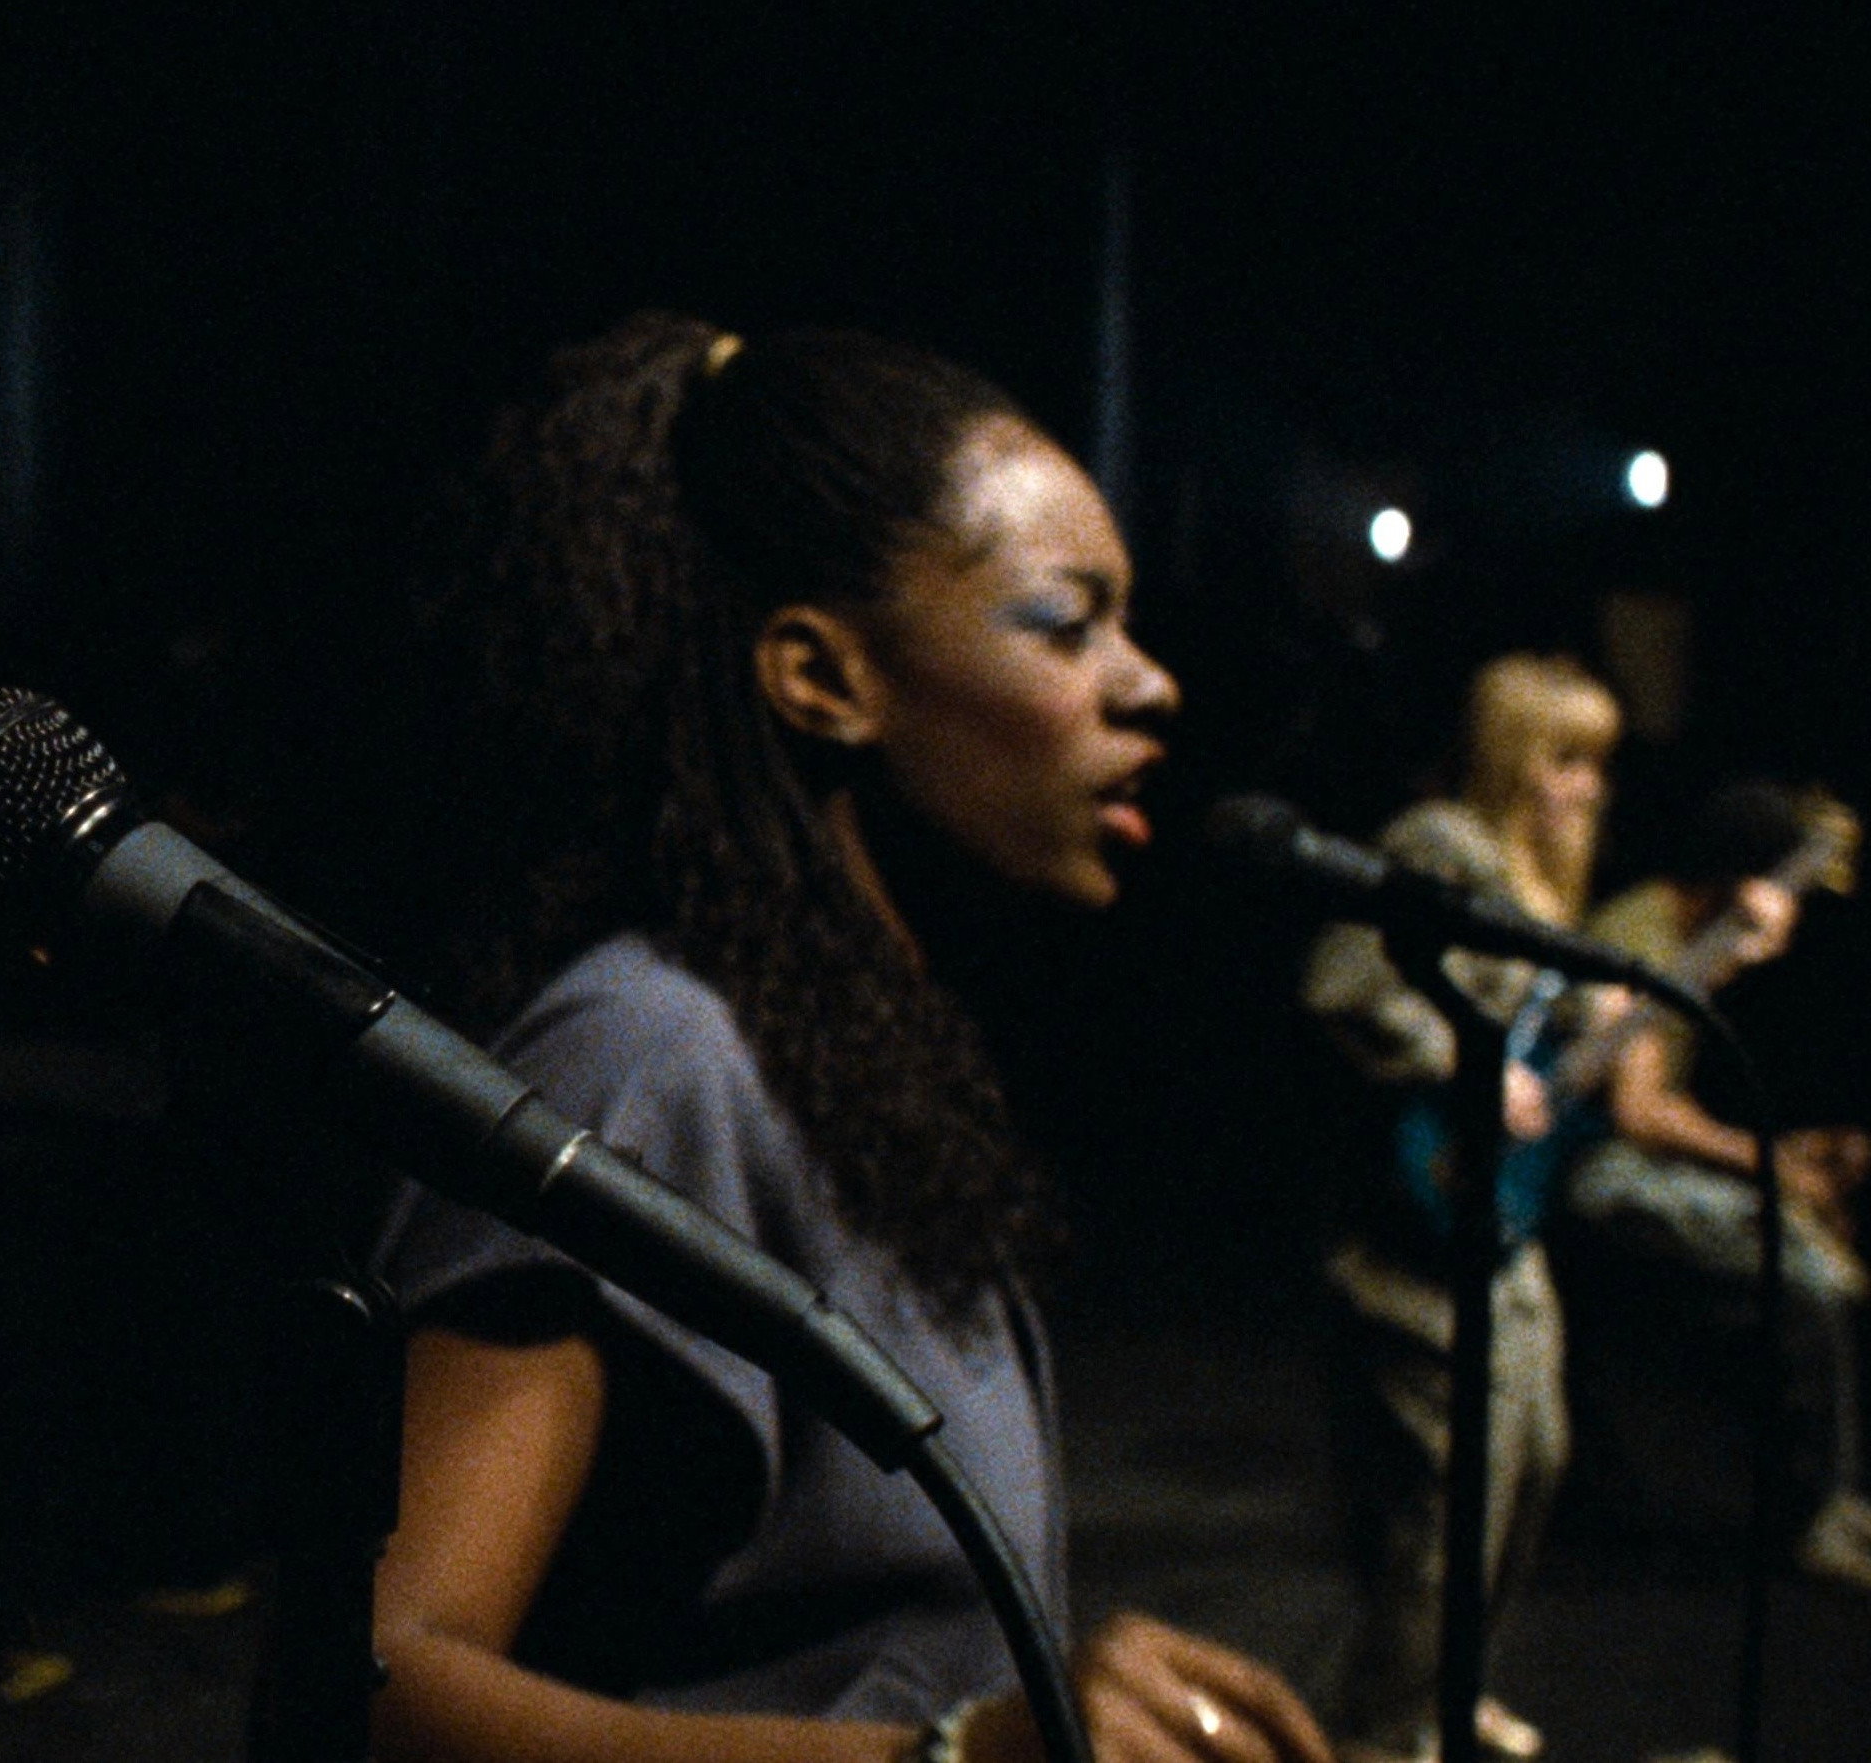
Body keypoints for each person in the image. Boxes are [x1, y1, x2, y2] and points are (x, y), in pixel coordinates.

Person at [370, 313, 1326, 1763]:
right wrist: (950, 1759)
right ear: (824, 678)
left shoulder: (855, 1045)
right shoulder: (644, 1056)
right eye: (1066, 623)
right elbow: (379, 1689)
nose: (1150, 682)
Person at [1298, 653, 1618, 1763]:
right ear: (1512, 758)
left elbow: (1550, 1056)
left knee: (1533, 1466)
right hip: (1415, 1236)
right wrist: (1464, 1065)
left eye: (1598, 764)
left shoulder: (1539, 884)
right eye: (1567, 760)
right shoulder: (1441, 845)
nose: (1589, 788)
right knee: (1445, 1510)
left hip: (1503, 1232)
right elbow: (1343, 984)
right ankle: (1388, 1733)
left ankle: (1452, 1686)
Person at [1561, 780, 1871, 1587]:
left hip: (1618, 1162)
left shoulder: (1680, 933)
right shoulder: (1643, 934)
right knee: (1806, 1277)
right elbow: (1638, 1112)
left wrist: (1789, 1157)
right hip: (1592, 1171)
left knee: (1815, 1265)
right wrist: (1772, 1166)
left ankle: (1826, 1500)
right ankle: (1816, 1514)